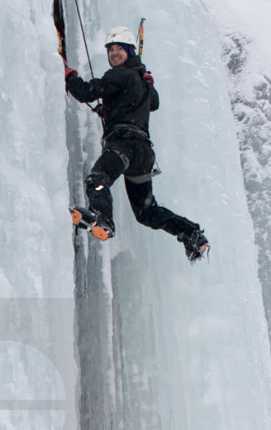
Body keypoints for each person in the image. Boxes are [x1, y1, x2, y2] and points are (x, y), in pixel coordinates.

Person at [65, 26, 209, 260]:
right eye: (110, 49)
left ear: (131, 51)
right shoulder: (143, 82)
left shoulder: (120, 74)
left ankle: (103, 217)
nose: (114, 53)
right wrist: (118, 102)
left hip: (124, 146)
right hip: (143, 154)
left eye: (119, 48)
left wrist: (68, 75)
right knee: (147, 212)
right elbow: (153, 102)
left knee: (98, 180)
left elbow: (86, 92)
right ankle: (191, 232)